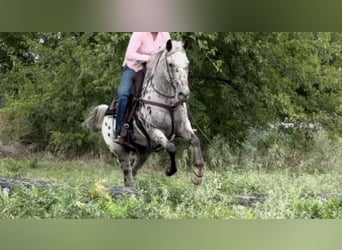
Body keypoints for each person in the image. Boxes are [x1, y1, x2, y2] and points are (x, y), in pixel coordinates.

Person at [114, 32, 171, 144]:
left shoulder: (165, 34)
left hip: (153, 71)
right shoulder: (139, 33)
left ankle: (177, 124)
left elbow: (170, 52)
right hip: (134, 68)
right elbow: (129, 54)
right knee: (123, 94)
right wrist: (147, 58)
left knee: (174, 88)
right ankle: (120, 128)